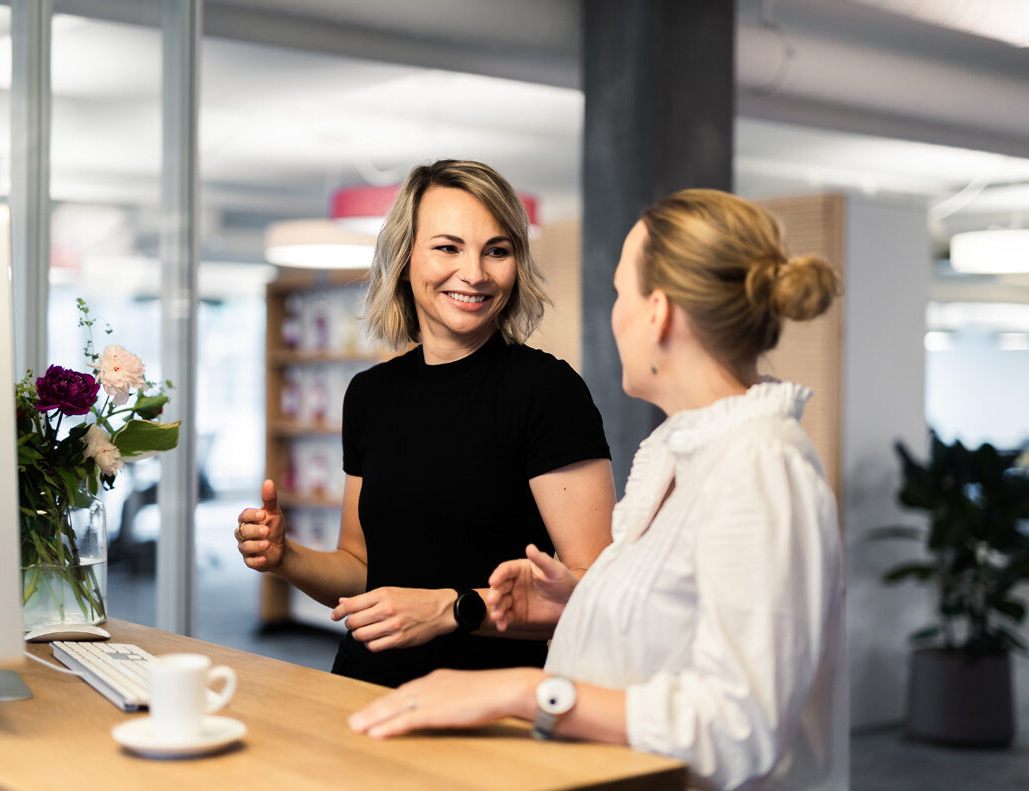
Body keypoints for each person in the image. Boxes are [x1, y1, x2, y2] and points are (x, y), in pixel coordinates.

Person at [348, 189, 848, 790]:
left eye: (619, 293)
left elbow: (740, 727)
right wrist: (574, 602)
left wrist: (521, 690)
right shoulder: (683, 451)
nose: (614, 315)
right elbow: (674, 625)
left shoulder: (762, 464)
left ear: (657, 313)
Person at [236, 160, 616, 688]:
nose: (476, 273)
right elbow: (362, 568)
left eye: (497, 250)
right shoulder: (370, 394)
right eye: (448, 247)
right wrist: (287, 558)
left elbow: (593, 590)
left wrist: (450, 609)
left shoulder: (547, 391)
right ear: (405, 257)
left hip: (487, 705)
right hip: (363, 690)